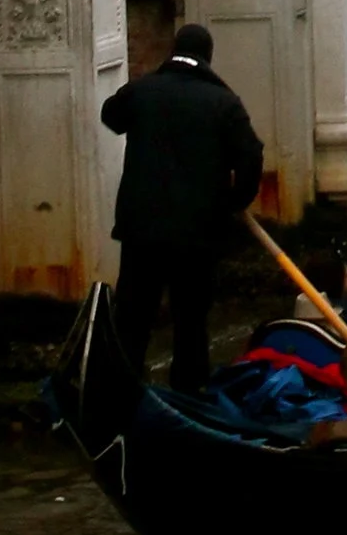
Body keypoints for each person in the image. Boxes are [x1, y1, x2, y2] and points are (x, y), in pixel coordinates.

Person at [101, 20, 263, 392]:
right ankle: (188, 395)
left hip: (141, 230)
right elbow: (251, 156)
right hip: (197, 233)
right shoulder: (224, 103)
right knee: (190, 320)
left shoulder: (143, 91)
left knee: (133, 318)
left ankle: (120, 395)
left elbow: (111, 115)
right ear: (208, 57)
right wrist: (234, 203)